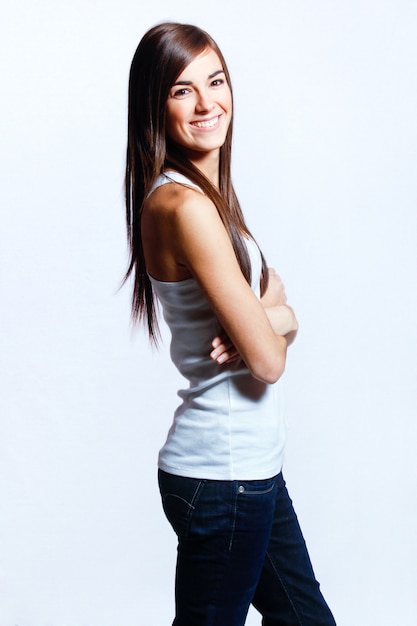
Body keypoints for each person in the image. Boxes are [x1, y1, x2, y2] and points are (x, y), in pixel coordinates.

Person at [124, 21, 337, 626]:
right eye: (181, 90)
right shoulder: (183, 206)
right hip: (223, 477)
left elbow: (274, 319)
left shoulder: (211, 200)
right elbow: (268, 360)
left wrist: (277, 317)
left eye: (215, 81)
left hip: (252, 471)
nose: (206, 102)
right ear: (154, 106)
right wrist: (276, 322)